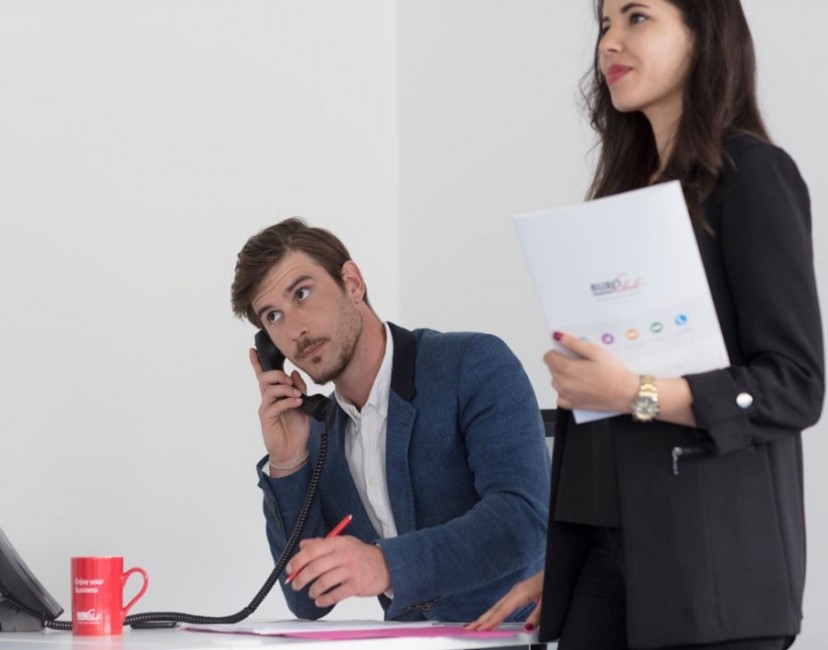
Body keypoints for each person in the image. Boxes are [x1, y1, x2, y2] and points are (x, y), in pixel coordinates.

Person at [468, 0, 824, 648]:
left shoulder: (752, 175)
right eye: (604, 24)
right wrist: (566, 568)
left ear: (702, 32)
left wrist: (636, 393)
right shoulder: (624, 195)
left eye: (636, 17)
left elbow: (796, 386)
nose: (609, 42)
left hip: (714, 586)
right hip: (606, 562)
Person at [230, 217, 551, 622]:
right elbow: (308, 598)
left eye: (302, 293)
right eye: (273, 317)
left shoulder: (472, 364)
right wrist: (288, 462)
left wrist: (385, 564)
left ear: (352, 283)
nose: (296, 329)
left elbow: (523, 519)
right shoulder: (320, 433)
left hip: (515, 633)